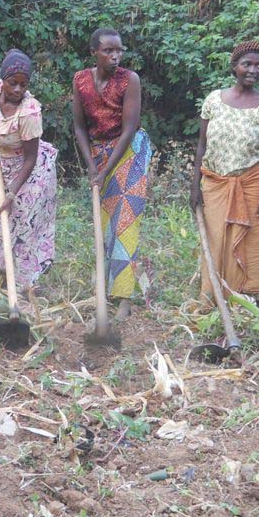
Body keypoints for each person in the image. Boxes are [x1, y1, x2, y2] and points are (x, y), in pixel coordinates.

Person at [190, 41, 259, 309]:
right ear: (234, 67)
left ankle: (256, 302)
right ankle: (216, 299)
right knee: (216, 240)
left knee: (256, 242)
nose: (253, 70)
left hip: (252, 183)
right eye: (247, 64)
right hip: (215, 183)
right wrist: (194, 186)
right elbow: (201, 145)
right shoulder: (214, 100)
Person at [72, 28, 152, 320]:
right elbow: (79, 127)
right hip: (99, 152)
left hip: (130, 152)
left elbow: (130, 128)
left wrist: (106, 170)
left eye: (119, 50)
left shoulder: (129, 80)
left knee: (125, 222)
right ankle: (106, 290)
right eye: (108, 51)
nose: (115, 56)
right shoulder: (81, 80)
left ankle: (124, 299)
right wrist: (93, 166)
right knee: (105, 224)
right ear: (94, 52)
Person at [0, 49, 58, 289]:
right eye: (12, 83)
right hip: (4, 164)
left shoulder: (30, 112)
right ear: (2, 80)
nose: (17, 89)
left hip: (30, 171)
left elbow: (30, 158)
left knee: (24, 222)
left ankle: (25, 284)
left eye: (23, 85)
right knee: (0, 219)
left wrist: (12, 193)